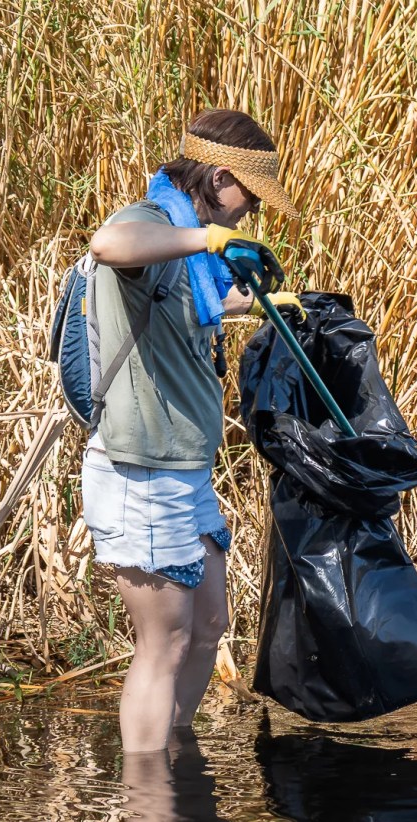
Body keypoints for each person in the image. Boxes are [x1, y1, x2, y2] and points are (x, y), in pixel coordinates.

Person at [83, 109, 302, 753]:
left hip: (184, 472)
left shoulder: (186, 246)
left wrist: (268, 303)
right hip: (140, 471)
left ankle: (175, 767)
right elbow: (108, 246)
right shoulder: (153, 221)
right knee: (165, 643)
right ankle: (148, 794)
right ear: (218, 177)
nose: (248, 215)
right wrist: (206, 238)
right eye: (247, 199)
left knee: (208, 627)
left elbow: (194, 305)